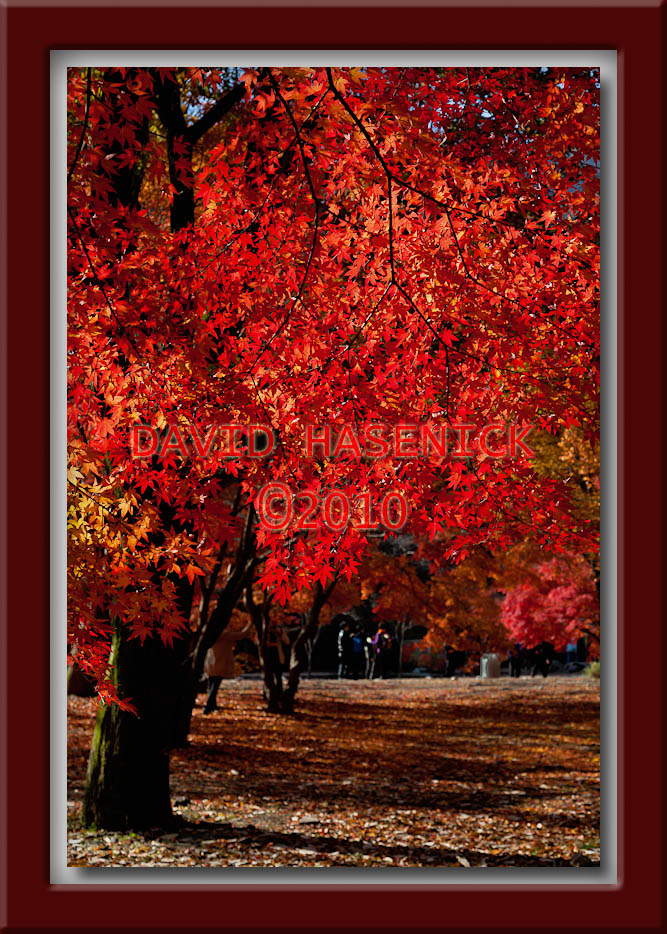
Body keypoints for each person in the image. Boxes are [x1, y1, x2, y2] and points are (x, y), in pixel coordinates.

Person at [203, 620, 253, 714]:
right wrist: (250, 623)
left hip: (210, 663)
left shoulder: (209, 635)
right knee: (214, 686)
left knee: (211, 685)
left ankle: (212, 706)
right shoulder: (226, 635)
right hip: (220, 664)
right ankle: (208, 706)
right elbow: (242, 634)